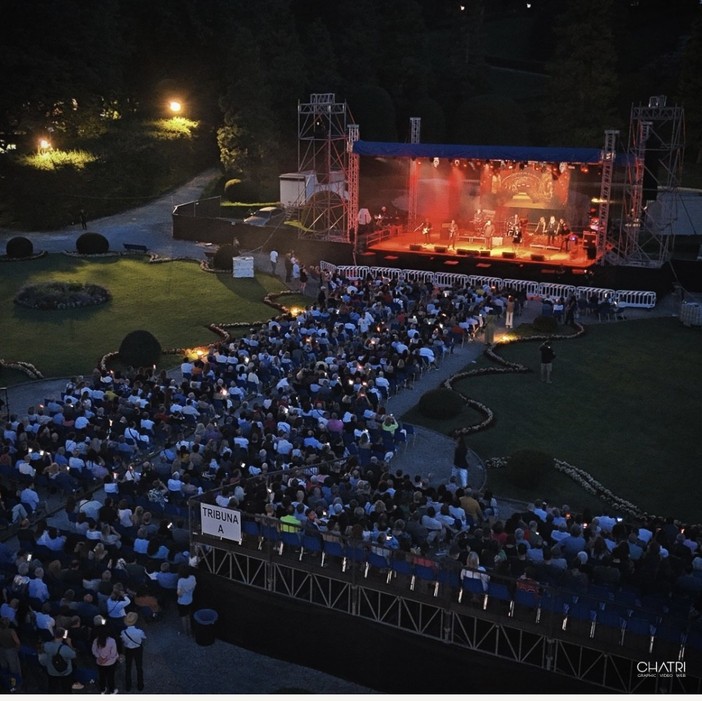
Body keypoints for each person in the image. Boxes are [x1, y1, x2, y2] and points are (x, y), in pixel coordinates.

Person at [40, 627, 77, 694]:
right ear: (63, 636)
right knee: (66, 689)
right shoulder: (65, 649)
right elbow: (74, 655)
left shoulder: (46, 645)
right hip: (65, 672)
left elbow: (42, 653)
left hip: (51, 671)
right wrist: (70, 644)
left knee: (52, 688)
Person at [120, 612, 146, 692]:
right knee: (139, 667)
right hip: (138, 649)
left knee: (128, 668)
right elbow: (143, 638)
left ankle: (128, 686)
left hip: (128, 650)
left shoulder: (123, 632)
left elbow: (123, 641)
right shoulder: (139, 631)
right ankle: (140, 685)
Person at [91, 624, 119, 694]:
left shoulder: (96, 640)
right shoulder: (112, 641)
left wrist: (99, 657)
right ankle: (112, 690)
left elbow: (94, 650)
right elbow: (113, 653)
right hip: (110, 663)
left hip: (99, 662)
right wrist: (106, 659)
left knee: (102, 676)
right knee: (110, 677)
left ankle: (102, 689)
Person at [176, 565, 197, 636]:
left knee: (183, 617)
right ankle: (190, 631)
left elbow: (179, 594)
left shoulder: (180, 581)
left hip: (182, 602)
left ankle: (186, 632)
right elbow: (193, 588)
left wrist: (182, 591)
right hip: (190, 600)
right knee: (188, 615)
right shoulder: (193, 578)